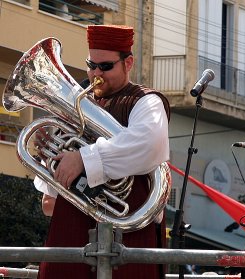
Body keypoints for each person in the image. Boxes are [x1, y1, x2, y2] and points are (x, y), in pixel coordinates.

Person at [34, 25, 170, 279]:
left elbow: (149, 144)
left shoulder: (145, 101)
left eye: (105, 66)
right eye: (91, 64)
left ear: (128, 63)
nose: (96, 73)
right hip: (72, 233)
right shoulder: (76, 104)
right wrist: (49, 160)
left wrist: (84, 159)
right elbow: (49, 204)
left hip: (128, 239)